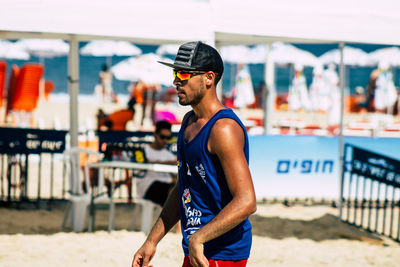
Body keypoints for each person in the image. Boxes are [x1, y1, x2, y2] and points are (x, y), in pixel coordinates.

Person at [132, 41, 257, 267]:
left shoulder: (223, 129)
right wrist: (152, 241)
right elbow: (184, 188)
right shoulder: (189, 122)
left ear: (209, 78)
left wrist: (199, 238)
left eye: (183, 73)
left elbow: (246, 201)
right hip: (197, 246)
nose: (176, 81)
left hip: (223, 251)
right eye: (175, 72)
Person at [136, 120, 177, 207]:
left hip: (165, 187)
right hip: (147, 186)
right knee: (174, 193)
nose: (165, 140)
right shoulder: (143, 151)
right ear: (155, 134)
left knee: (179, 190)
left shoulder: (169, 155)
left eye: (168, 138)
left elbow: (176, 176)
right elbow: (143, 165)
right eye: (162, 137)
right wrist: (171, 163)